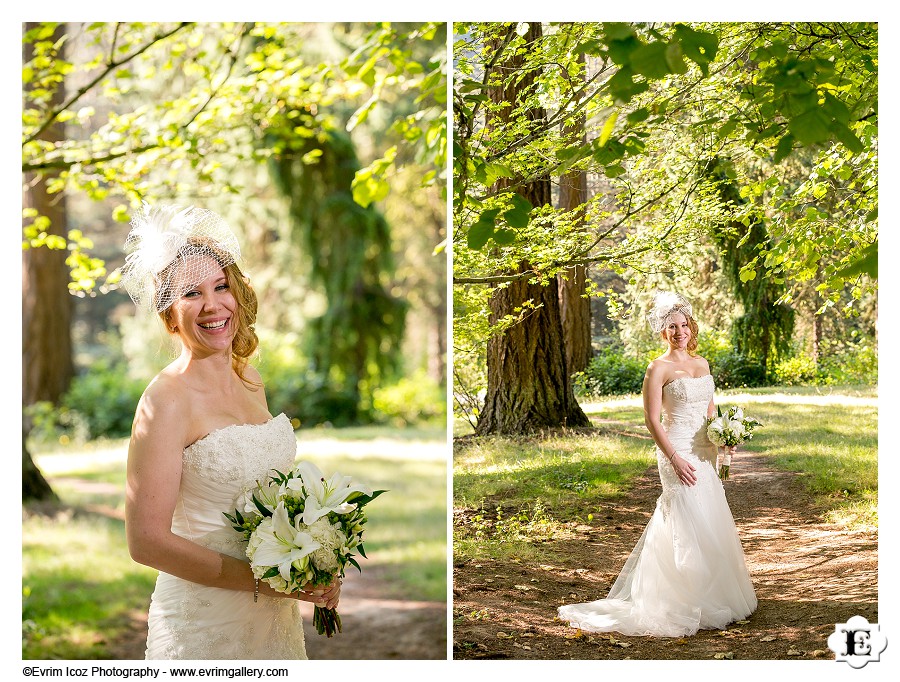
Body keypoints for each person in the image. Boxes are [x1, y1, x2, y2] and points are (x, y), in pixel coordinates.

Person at [121, 202, 340, 659]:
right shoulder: (165, 400)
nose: (213, 304)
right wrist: (272, 582)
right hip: (204, 625)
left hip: (274, 623)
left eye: (221, 286)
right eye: (191, 293)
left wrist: (312, 560)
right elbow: (146, 542)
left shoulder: (250, 379)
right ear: (168, 314)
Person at [558, 291, 756, 637]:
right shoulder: (658, 368)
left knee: (709, 515)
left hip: (704, 449)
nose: (679, 332)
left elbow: (711, 411)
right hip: (676, 447)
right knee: (684, 518)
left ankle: (714, 592)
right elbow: (652, 420)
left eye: (683, 325)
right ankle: (681, 599)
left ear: (691, 327)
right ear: (662, 331)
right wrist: (675, 457)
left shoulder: (702, 364)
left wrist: (725, 439)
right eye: (672, 327)